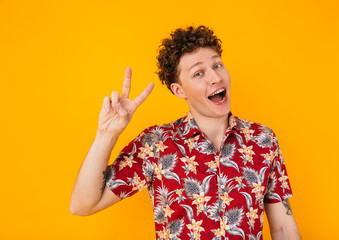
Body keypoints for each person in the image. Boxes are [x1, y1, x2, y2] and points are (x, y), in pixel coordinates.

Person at [70, 25, 301, 240]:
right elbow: (82, 205)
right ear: (180, 90)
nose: (215, 77)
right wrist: (106, 135)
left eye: (217, 65)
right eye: (199, 73)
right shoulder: (155, 143)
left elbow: (283, 227)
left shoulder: (262, 139)